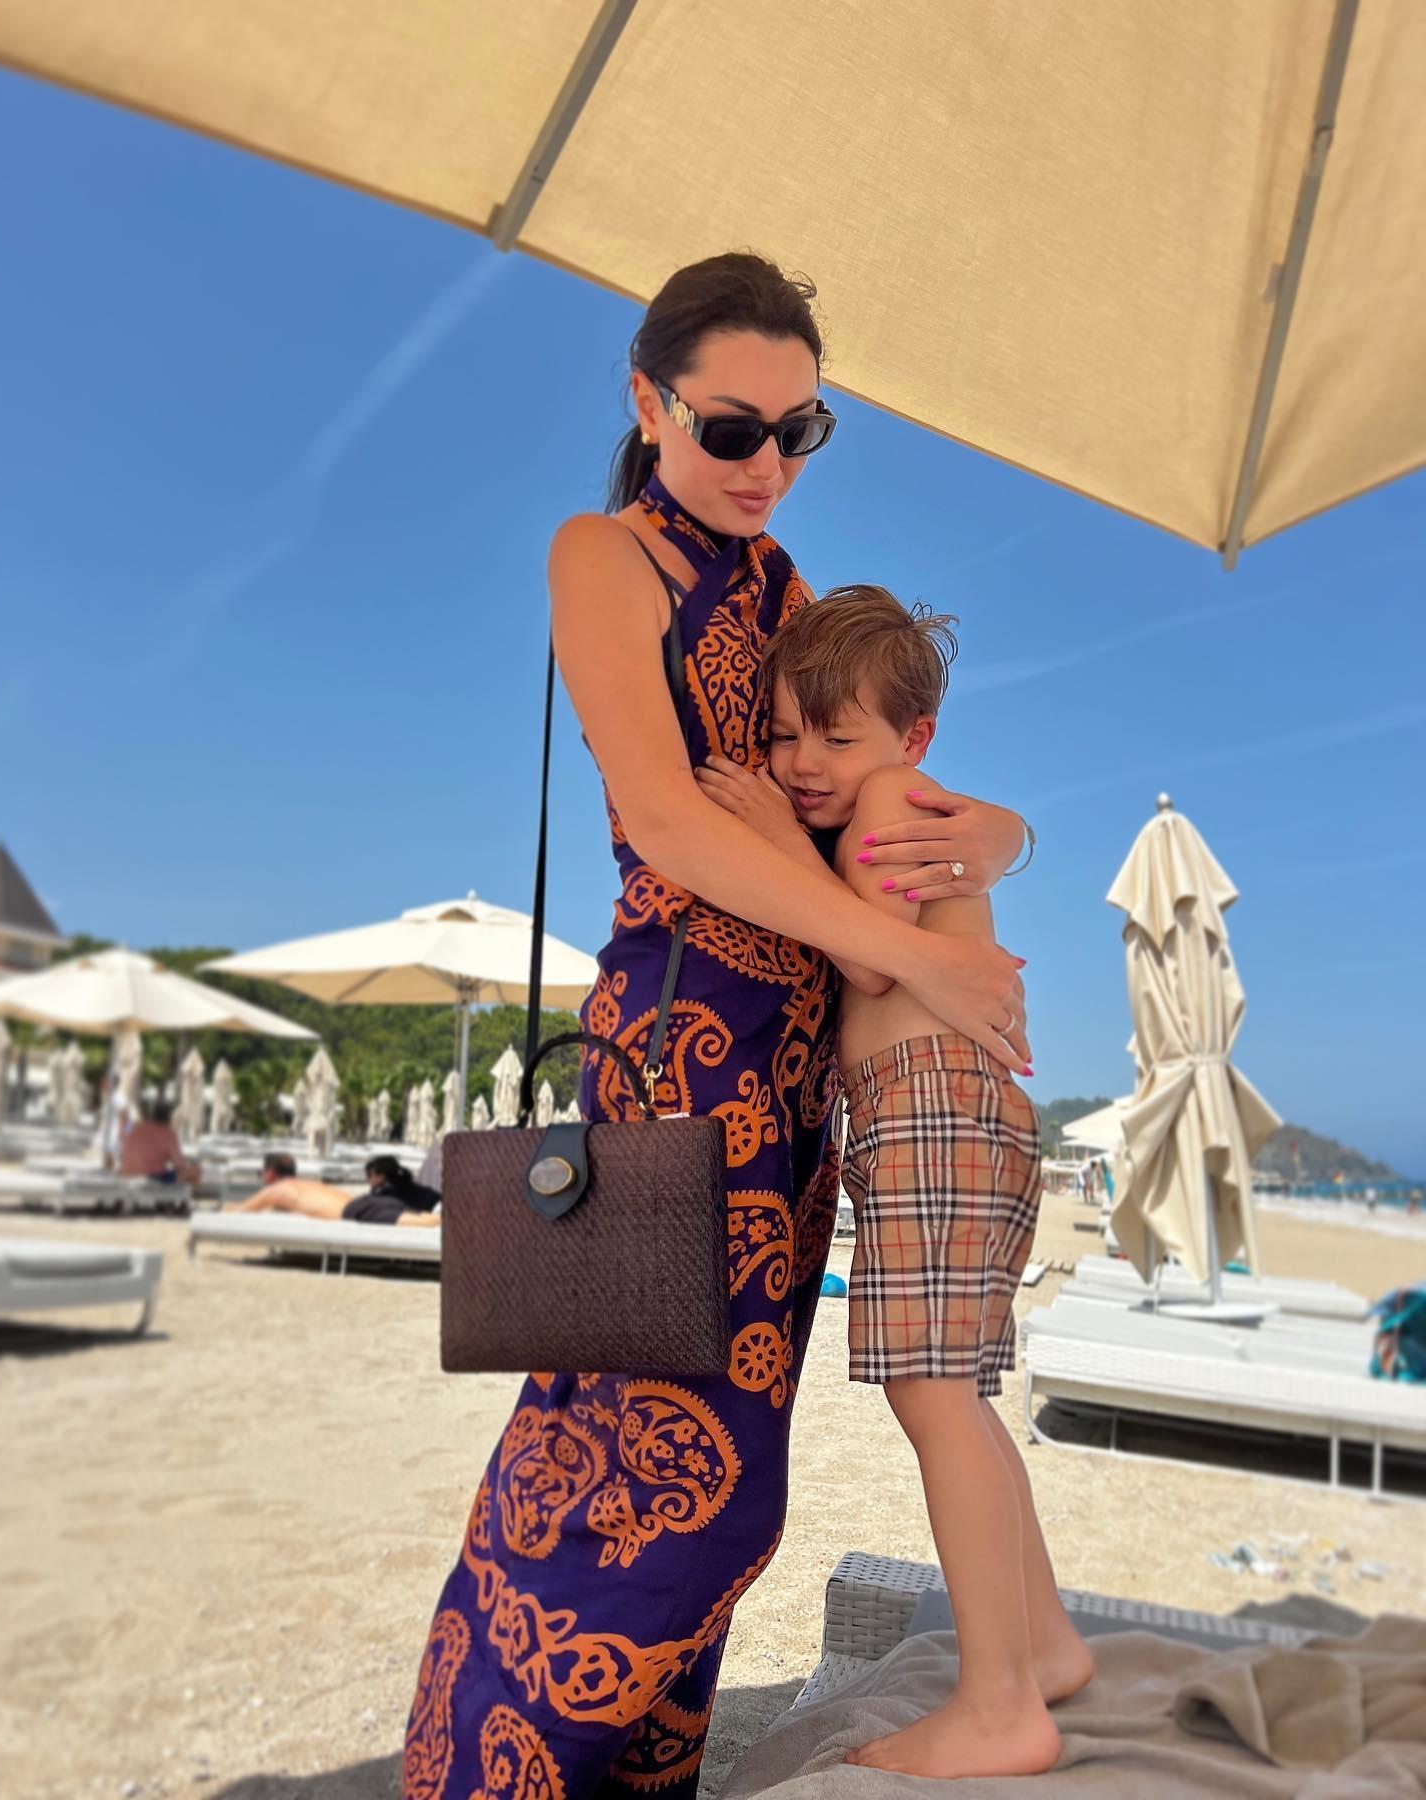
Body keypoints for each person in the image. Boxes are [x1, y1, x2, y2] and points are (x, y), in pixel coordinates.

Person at [407, 253, 1033, 1796]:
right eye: (733, 428)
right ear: (648, 400)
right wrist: (913, 951)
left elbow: (875, 771)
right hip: (676, 1051)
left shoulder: (789, 591)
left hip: (793, 1081)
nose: (768, 465)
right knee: (642, 1471)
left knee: (725, 1469)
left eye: (798, 433)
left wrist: (999, 836)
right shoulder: (604, 555)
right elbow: (671, 822)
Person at [700, 585, 1089, 1778]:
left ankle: (999, 1702)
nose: (802, 761)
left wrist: (774, 843)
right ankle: (1046, 1645)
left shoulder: (885, 803)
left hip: (928, 1105)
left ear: (912, 740)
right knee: (956, 1394)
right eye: (783, 734)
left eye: (836, 733)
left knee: (933, 1401)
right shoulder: (898, 797)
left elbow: (871, 968)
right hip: (949, 1111)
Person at [227, 1154, 439, 1227]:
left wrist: (223, 1211)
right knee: (428, 1220)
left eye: (261, 1173)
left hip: (356, 1211)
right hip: (363, 1204)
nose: (261, 1177)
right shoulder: (306, 1184)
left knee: (427, 1224)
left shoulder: (277, 1190)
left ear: (271, 1173)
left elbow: (243, 1210)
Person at [118, 1100, 201, 1187]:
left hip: (127, 1176)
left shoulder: (137, 1129)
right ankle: (186, 1195)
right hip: (150, 1180)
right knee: (196, 1171)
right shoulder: (167, 1133)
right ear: (169, 1117)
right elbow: (179, 1165)